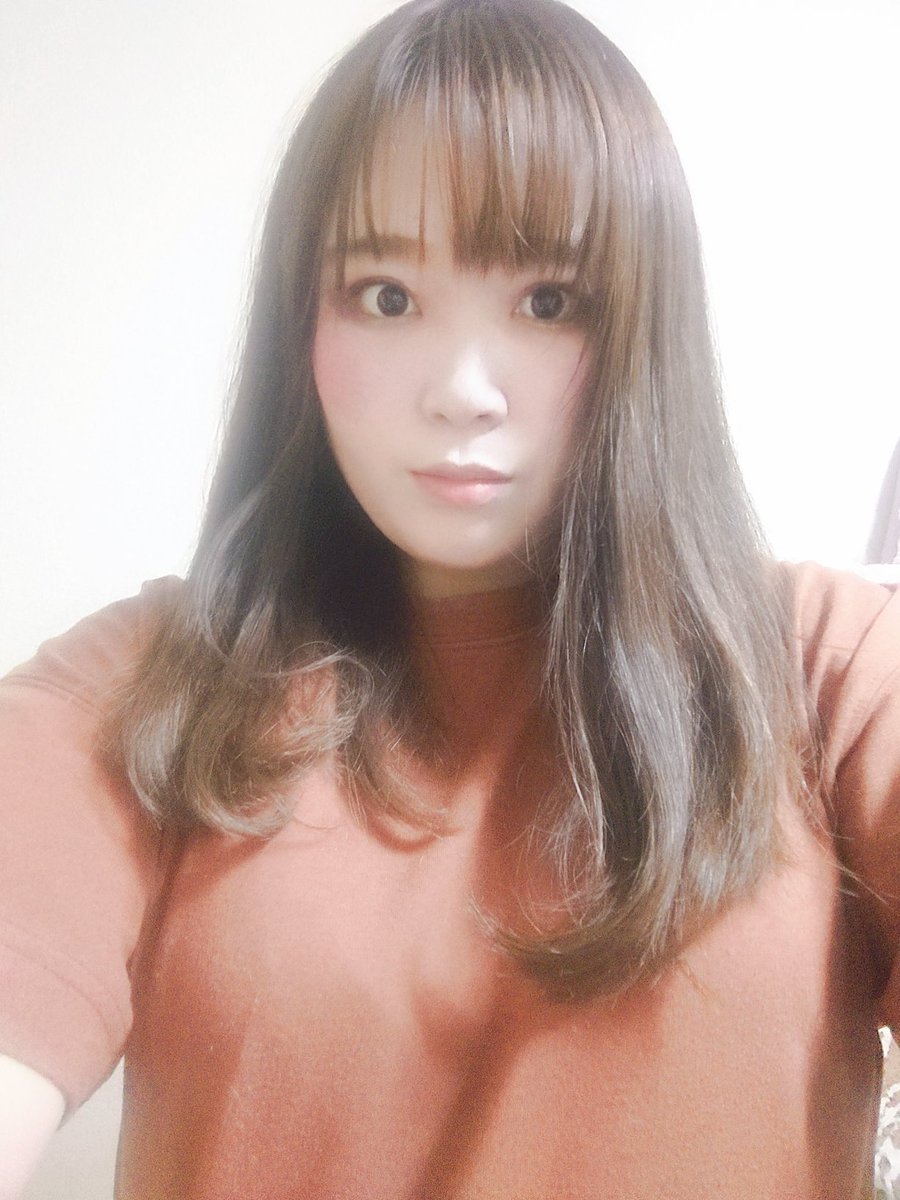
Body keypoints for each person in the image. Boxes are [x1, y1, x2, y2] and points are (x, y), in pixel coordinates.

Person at [1, 0, 898, 1195]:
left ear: (646, 324)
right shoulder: (140, 688)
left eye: (548, 301)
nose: (463, 389)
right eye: (385, 294)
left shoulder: (832, 672)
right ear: (301, 326)